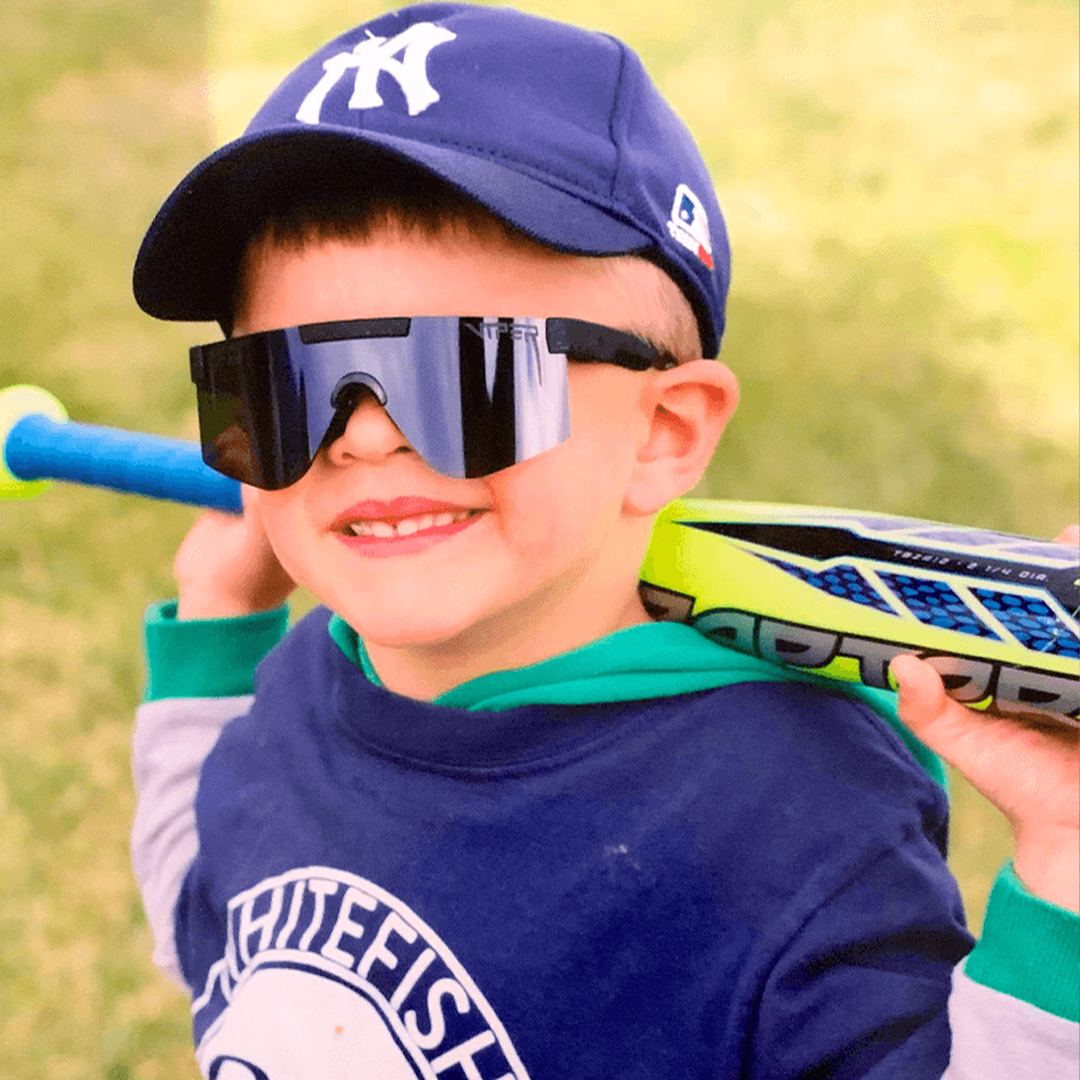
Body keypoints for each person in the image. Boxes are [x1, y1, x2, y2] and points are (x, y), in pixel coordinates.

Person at [129, 5, 1079, 1077]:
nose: (362, 437)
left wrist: (1068, 866)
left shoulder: (788, 812)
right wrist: (218, 624)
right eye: (284, 385)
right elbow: (212, 932)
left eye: (462, 376)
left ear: (666, 431)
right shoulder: (308, 679)